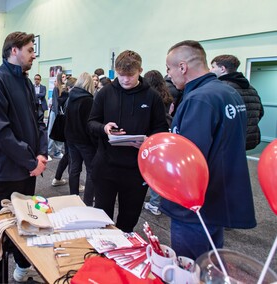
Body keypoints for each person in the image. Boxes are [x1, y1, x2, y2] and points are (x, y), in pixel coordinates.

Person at [163, 40, 256, 260]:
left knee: (191, 265)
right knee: (210, 262)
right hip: (216, 196)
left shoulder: (199, 99)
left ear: (183, 67)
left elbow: (188, 158)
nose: (168, 75)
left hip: (195, 205)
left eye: (169, 69)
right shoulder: (228, 92)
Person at [0, 31, 47, 284]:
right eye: (30, 50)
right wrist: (31, 162)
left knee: (26, 222)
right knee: (3, 228)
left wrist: (41, 155)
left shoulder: (27, 82)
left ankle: (21, 267)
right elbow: (1, 132)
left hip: (29, 167)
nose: (34, 55)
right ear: (14, 50)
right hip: (8, 170)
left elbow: (39, 121)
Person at [88, 50, 168, 233]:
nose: (125, 80)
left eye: (130, 75)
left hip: (137, 168)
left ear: (140, 70)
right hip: (106, 166)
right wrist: (104, 128)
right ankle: (104, 252)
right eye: (121, 75)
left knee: (129, 217)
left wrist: (149, 141)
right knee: (102, 217)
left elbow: (161, 128)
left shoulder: (152, 97)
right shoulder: (105, 93)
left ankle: (124, 248)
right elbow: (91, 123)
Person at [210, 54, 264, 150]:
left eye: (213, 67)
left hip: (228, 140)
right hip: (248, 137)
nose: (210, 70)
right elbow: (260, 113)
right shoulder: (251, 88)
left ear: (222, 69)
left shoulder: (219, 89)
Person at [142, 70, 175, 216]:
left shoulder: (148, 96)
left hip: (150, 135)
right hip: (165, 134)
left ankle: (154, 202)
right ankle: (158, 200)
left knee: (150, 168)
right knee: (159, 169)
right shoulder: (168, 94)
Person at [65, 73, 97, 206]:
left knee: (74, 168)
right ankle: (88, 203)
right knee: (91, 171)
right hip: (85, 141)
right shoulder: (88, 100)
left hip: (71, 139)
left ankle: (73, 198)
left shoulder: (70, 97)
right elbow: (89, 124)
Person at [52, 77, 77, 188]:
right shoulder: (70, 98)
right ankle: (73, 184)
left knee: (68, 156)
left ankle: (57, 178)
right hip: (71, 131)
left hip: (66, 131)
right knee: (71, 157)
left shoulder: (64, 97)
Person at [48, 72, 65, 159]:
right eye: (62, 77)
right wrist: (57, 113)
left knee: (59, 133)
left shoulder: (65, 88)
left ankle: (57, 152)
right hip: (55, 113)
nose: (64, 78)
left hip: (61, 114)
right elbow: (55, 102)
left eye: (65, 76)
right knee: (51, 132)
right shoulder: (56, 88)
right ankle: (47, 152)